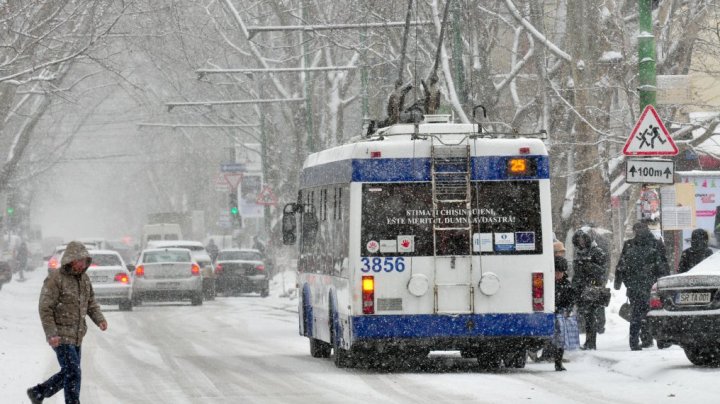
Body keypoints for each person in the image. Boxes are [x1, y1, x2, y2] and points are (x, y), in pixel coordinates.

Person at [27, 241, 107, 404]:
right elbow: (45, 307)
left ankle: (38, 392)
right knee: (73, 371)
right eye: (80, 260)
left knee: (72, 372)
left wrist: (99, 319)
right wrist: (52, 333)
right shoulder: (56, 278)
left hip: (77, 334)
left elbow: (90, 302)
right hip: (61, 335)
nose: (82, 264)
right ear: (71, 260)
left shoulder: (84, 279)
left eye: (85, 261)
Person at [614, 222, 669, 350]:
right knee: (649, 313)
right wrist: (663, 281)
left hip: (635, 286)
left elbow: (621, 265)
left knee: (636, 314)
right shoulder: (655, 243)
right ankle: (648, 339)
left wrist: (619, 282)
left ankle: (635, 341)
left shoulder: (630, 244)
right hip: (650, 286)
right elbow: (663, 265)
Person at [571, 229, 606, 350]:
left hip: (592, 288)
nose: (580, 242)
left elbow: (602, 271)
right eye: (578, 239)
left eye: (583, 239)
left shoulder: (597, 252)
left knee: (590, 316)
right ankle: (588, 342)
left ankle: (591, 343)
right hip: (581, 288)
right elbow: (576, 273)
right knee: (585, 316)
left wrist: (588, 265)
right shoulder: (579, 252)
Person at [553, 255, 576, 371]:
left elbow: (571, 300)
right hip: (551, 312)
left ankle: (558, 361)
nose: (558, 275)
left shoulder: (566, 285)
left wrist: (568, 309)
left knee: (560, 339)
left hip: (560, 313)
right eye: (556, 272)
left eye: (560, 272)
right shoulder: (548, 283)